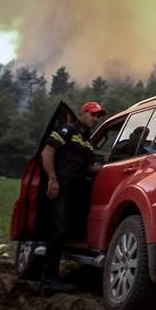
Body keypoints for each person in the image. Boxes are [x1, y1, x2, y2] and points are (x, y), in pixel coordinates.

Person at [40, 100, 107, 296]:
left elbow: (88, 168)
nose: (95, 119)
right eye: (92, 114)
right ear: (81, 114)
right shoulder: (66, 131)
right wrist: (52, 179)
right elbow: (47, 152)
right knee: (59, 232)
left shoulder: (87, 142)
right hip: (60, 188)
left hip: (74, 193)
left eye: (97, 116)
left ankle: (52, 279)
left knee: (66, 232)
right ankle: (48, 281)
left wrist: (105, 169)